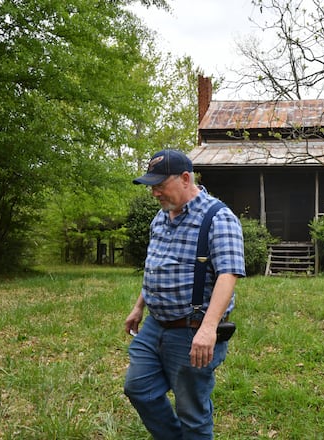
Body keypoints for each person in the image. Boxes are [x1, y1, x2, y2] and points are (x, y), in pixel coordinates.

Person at [124, 149, 245, 440]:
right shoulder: (161, 218)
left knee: (192, 411)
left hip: (192, 329)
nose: (155, 193)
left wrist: (207, 329)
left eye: (160, 185)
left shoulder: (218, 217)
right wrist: (139, 307)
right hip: (156, 324)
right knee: (138, 386)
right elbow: (155, 267)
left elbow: (229, 275)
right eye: (152, 186)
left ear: (185, 178)